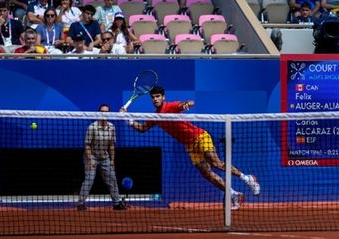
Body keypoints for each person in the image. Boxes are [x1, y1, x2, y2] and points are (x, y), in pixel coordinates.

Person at [124, 86, 260, 209]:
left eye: (157, 96)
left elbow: (184, 104)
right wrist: (128, 119)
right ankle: (233, 194)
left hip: (200, 137)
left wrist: (187, 104)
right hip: (190, 145)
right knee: (207, 174)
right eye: (153, 97)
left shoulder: (170, 106)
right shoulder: (154, 116)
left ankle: (247, 178)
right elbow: (142, 128)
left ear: (163, 97)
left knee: (216, 163)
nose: (155, 99)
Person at [77, 104, 126, 210]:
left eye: (107, 112)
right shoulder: (92, 127)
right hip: (92, 156)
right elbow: (87, 145)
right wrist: (90, 160)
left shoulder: (112, 127)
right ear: (99, 113)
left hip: (105, 157)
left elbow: (112, 145)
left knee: (112, 178)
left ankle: (117, 203)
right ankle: (81, 203)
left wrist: (112, 160)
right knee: (89, 178)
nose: (104, 113)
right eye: (102, 111)